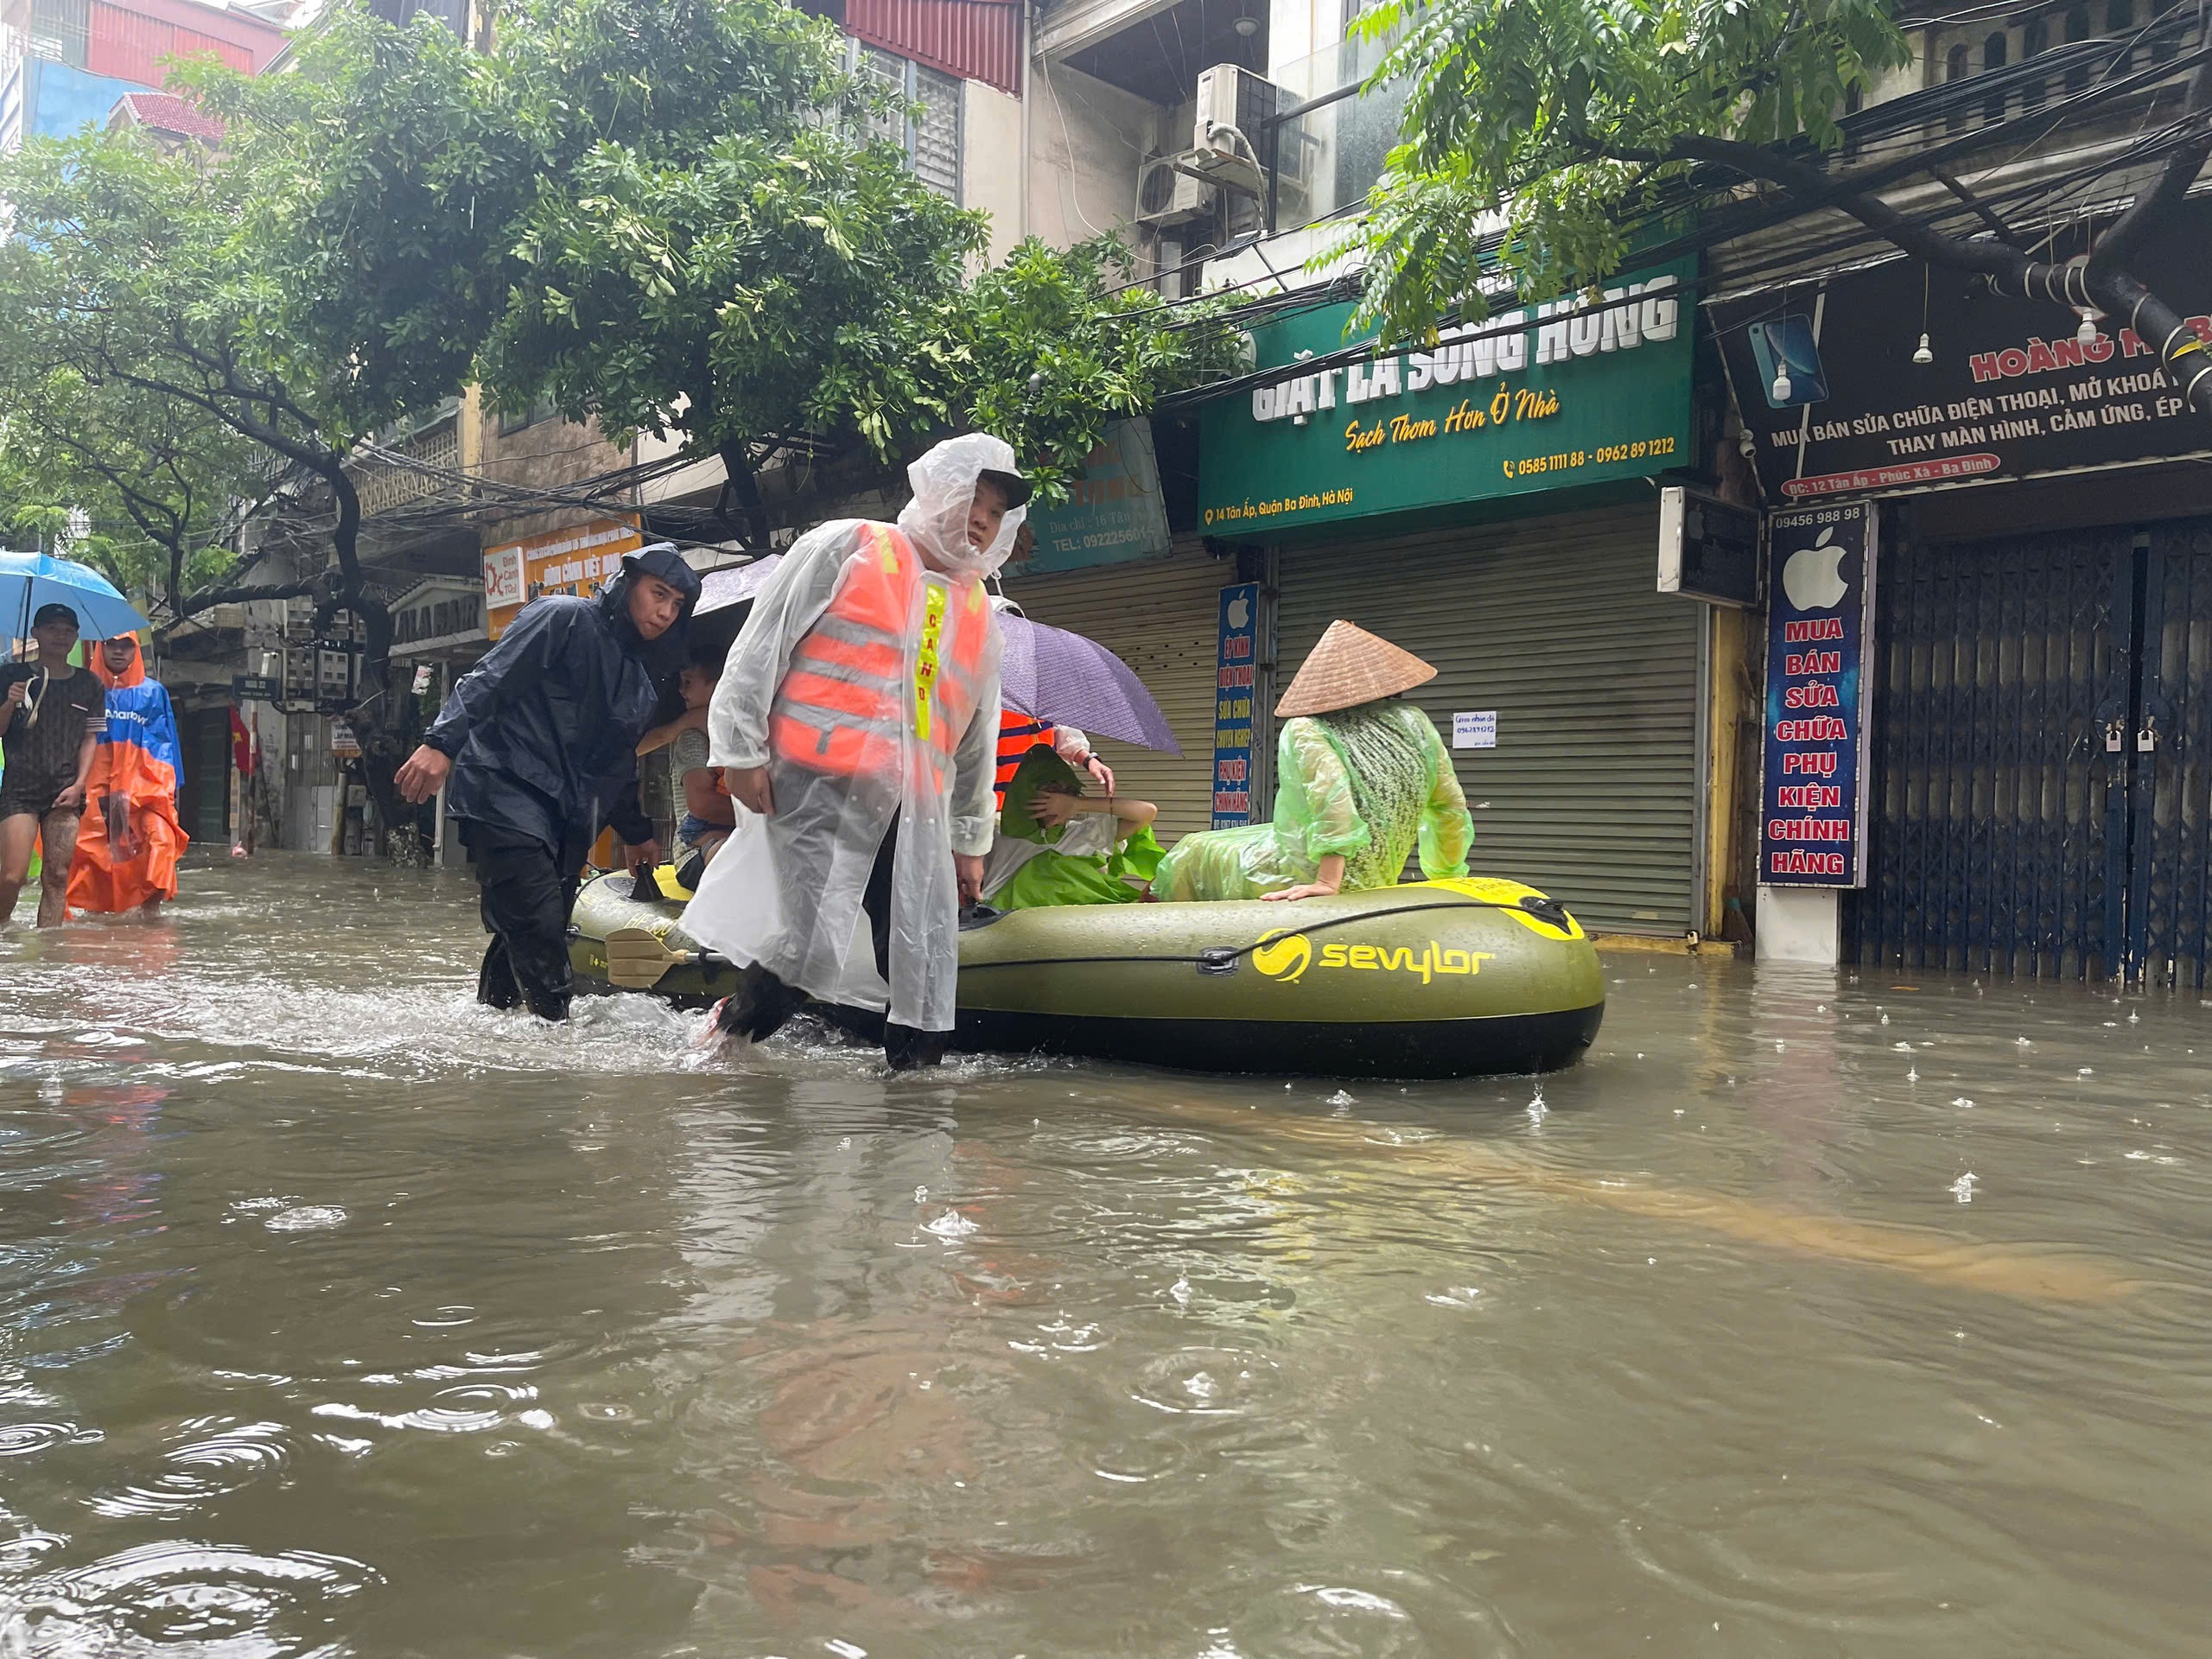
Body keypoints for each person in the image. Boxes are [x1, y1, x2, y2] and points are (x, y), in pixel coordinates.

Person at [683, 432, 1027, 1069]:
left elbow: (977, 736)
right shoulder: (848, 545)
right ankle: (725, 1038)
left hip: (915, 813)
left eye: (998, 511)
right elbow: (760, 649)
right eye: (975, 498)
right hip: (814, 790)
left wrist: (970, 841)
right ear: (939, 487)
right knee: (800, 955)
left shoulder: (979, 611)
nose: (982, 519)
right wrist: (740, 750)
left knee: (923, 964)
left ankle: (915, 1113)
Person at [395, 543, 701, 1020]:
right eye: (657, 594)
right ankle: (557, 1052)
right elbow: (490, 678)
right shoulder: (563, 617)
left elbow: (614, 761)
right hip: (504, 790)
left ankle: (491, 1030)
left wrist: (637, 832)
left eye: (676, 605)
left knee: (539, 925)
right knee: (537, 923)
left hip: (562, 815)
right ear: (628, 585)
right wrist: (440, 743)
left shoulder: (640, 677)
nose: (664, 612)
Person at [1154, 620, 1473, 903]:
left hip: (1307, 873)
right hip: (1378, 879)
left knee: (1192, 851)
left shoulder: (1307, 727)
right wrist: (1448, 876)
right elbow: (1450, 808)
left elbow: (1333, 802)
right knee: (1220, 841)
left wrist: (1327, 882)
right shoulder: (1414, 722)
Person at [0, 603, 106, 929]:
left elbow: (91, 738)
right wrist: (9, 702)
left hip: (65, 788)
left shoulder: (90, 684)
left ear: (76, 636)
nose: (60, 635)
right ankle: (2, 923)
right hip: (20, 787)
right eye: (51, 628)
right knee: (12, 875)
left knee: (57, 877)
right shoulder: (10, 675)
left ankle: (51, 954)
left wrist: (79, 784)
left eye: (67, 630)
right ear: (35, 633)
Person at [67, 632, 188, 917]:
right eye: (112, 645)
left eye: (126, 646)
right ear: (101, 647)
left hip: (146, 790)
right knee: (97, 857)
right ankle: (98, 917)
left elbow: (166, 741)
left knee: (162, 842)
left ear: (136, 650)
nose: (119, 652)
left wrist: (170, 789)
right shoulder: (85, 689)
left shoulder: (153, 692)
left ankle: (150, 913)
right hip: (97, 791)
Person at [981, 733, 1160, 910]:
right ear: (1025, 794)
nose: (1059, 799)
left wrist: (1079, 804)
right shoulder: (994, 840)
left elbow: (1146, 812)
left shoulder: (1084, 834)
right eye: (1051, 790)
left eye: (1069, 792)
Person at [636, 650, 734, 881]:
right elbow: (702, 805)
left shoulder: (745, 724)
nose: (682, 690)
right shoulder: (692, 732)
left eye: (688, 683)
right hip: (695, 852)